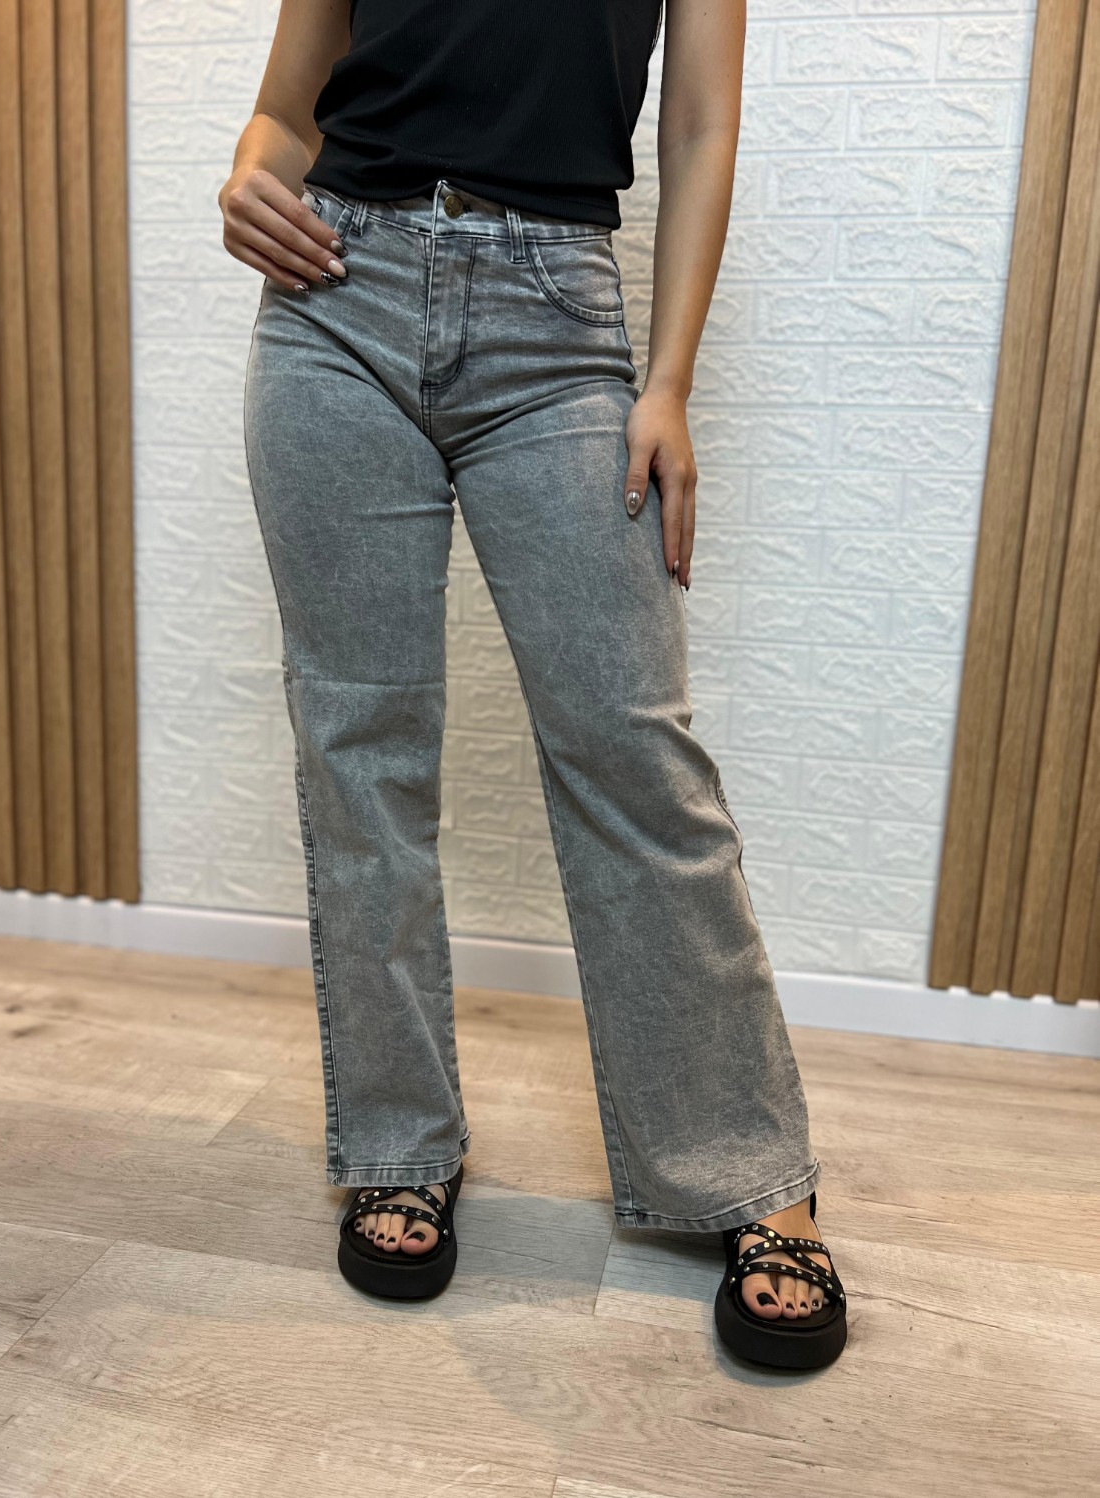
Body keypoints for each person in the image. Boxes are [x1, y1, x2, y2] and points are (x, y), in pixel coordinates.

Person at [219, 0, 847, 1370]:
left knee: (633, 751)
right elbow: (285, 107)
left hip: (557, 318)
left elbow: (700, 123)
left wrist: (666, 380)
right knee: (359, 746)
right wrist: (247, 178)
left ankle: (747, 1173)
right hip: (333, 301)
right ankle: (400, 1147)